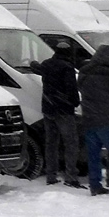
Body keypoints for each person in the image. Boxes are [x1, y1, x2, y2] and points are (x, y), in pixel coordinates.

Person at [74, 45, 109, 195]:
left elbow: (80, 89)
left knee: (93, 156)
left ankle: (95, 185)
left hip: (89, 120)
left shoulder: (84, 72)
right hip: (108, 120)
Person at [37, 39, 82, 187]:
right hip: (64, 110)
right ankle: (71, 176)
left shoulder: (46, 64)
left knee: (51, 143)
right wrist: (75, 103)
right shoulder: (67, 67)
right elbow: (71, 90)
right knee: (71, 143)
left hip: (48, 108)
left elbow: (36, 68)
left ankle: (51, 175)